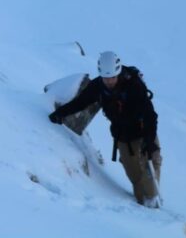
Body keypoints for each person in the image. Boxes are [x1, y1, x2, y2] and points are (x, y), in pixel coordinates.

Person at [48, 51, 162, 207]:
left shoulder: (134, 86)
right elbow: (81, 102)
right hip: (123, 137)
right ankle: (143, 208)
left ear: (118, 73)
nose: (109, 81)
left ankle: (154, 207)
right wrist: (60, 113)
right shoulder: (98, 86)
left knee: (149, 182)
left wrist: (150, 143)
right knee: (136, 180)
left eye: (112, 78)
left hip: (144, 135)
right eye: (106, 78)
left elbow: (150, 116)